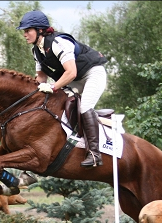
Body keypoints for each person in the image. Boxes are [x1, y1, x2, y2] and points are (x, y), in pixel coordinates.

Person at [17, 10, 108, 167]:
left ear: (39, 30)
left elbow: (71, 72)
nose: (25, 34)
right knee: (54, 103)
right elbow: (41, 78)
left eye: (27, 30)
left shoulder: (58, 43)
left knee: (85, 107)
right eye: (24, 31)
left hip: (92, 74)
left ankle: (94, 154)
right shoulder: (37, 51)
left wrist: (53, 86)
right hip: (74, 80)